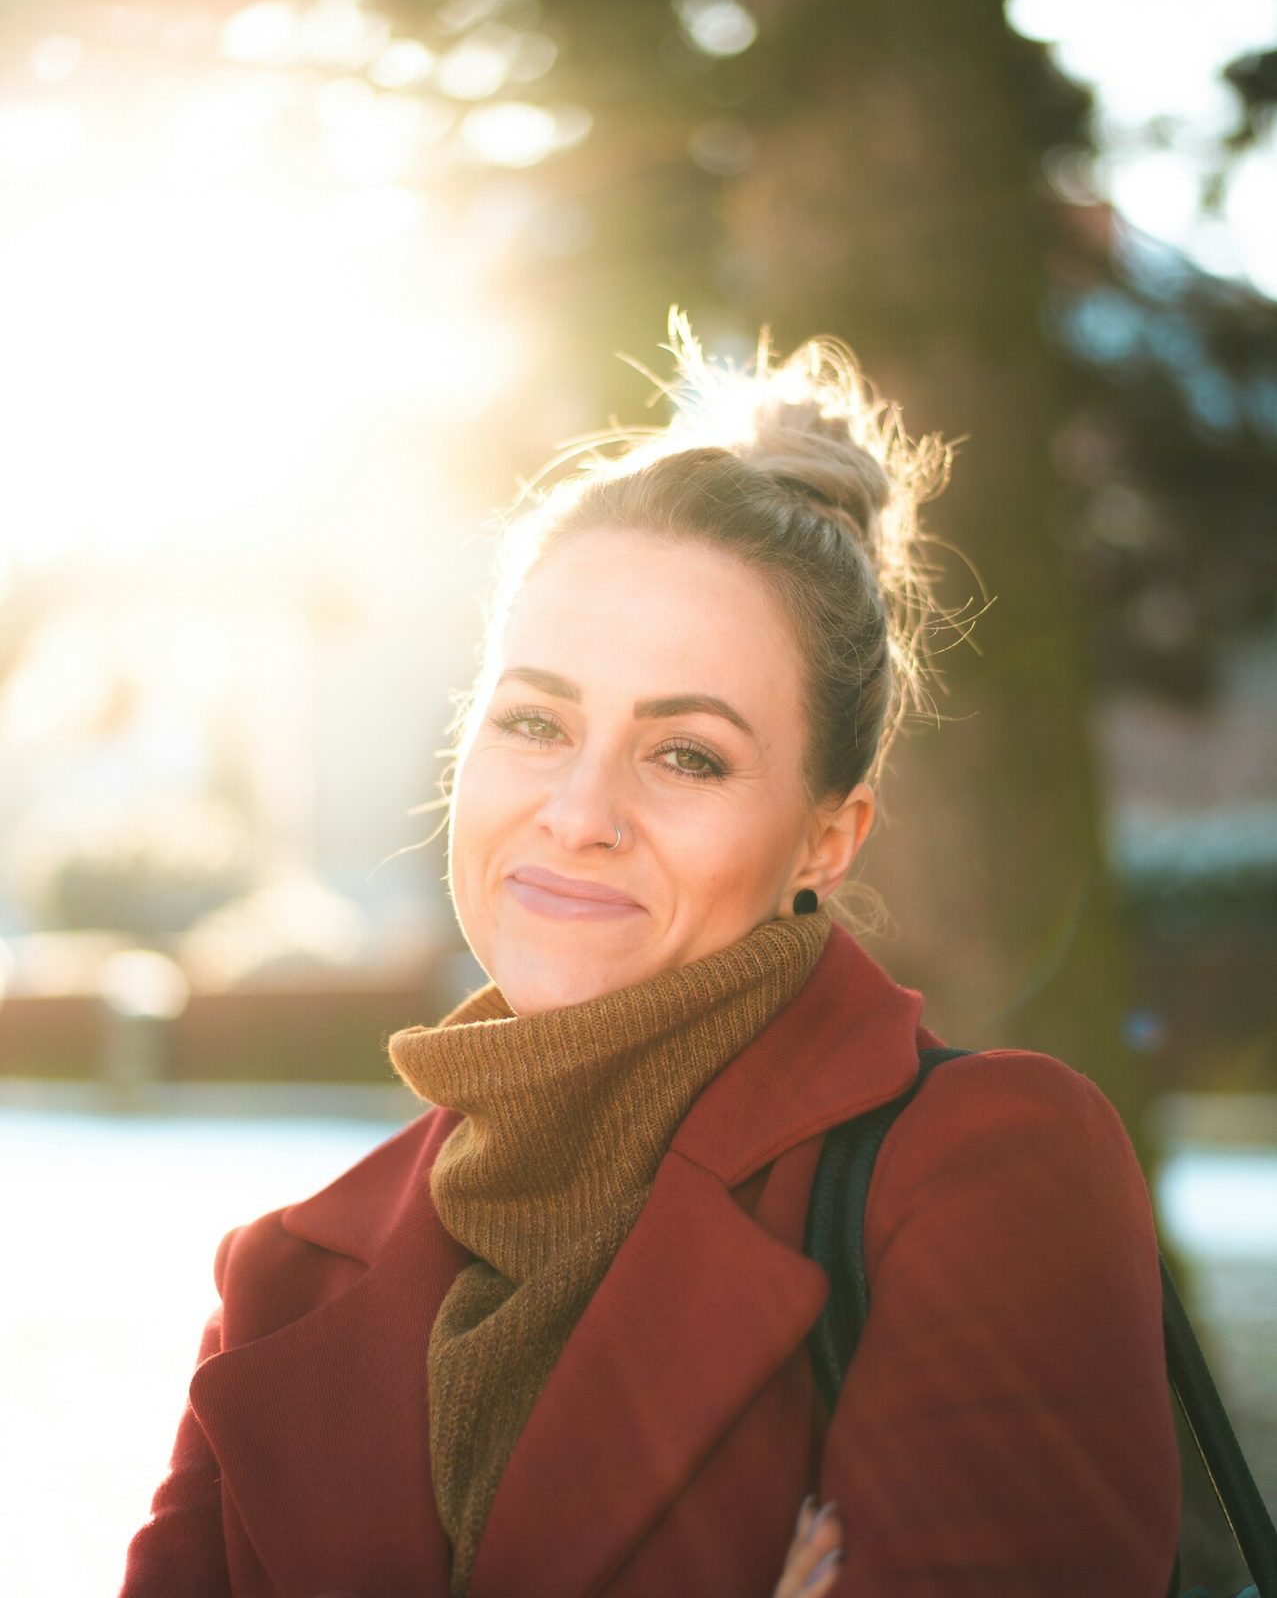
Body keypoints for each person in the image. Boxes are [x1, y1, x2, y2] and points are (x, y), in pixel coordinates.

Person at [120, 319, 1180, 1598]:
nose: (578, 808)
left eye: (687, 754)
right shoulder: (283, 1279)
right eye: (533, 721)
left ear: (825, 839)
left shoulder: (977, 1176)